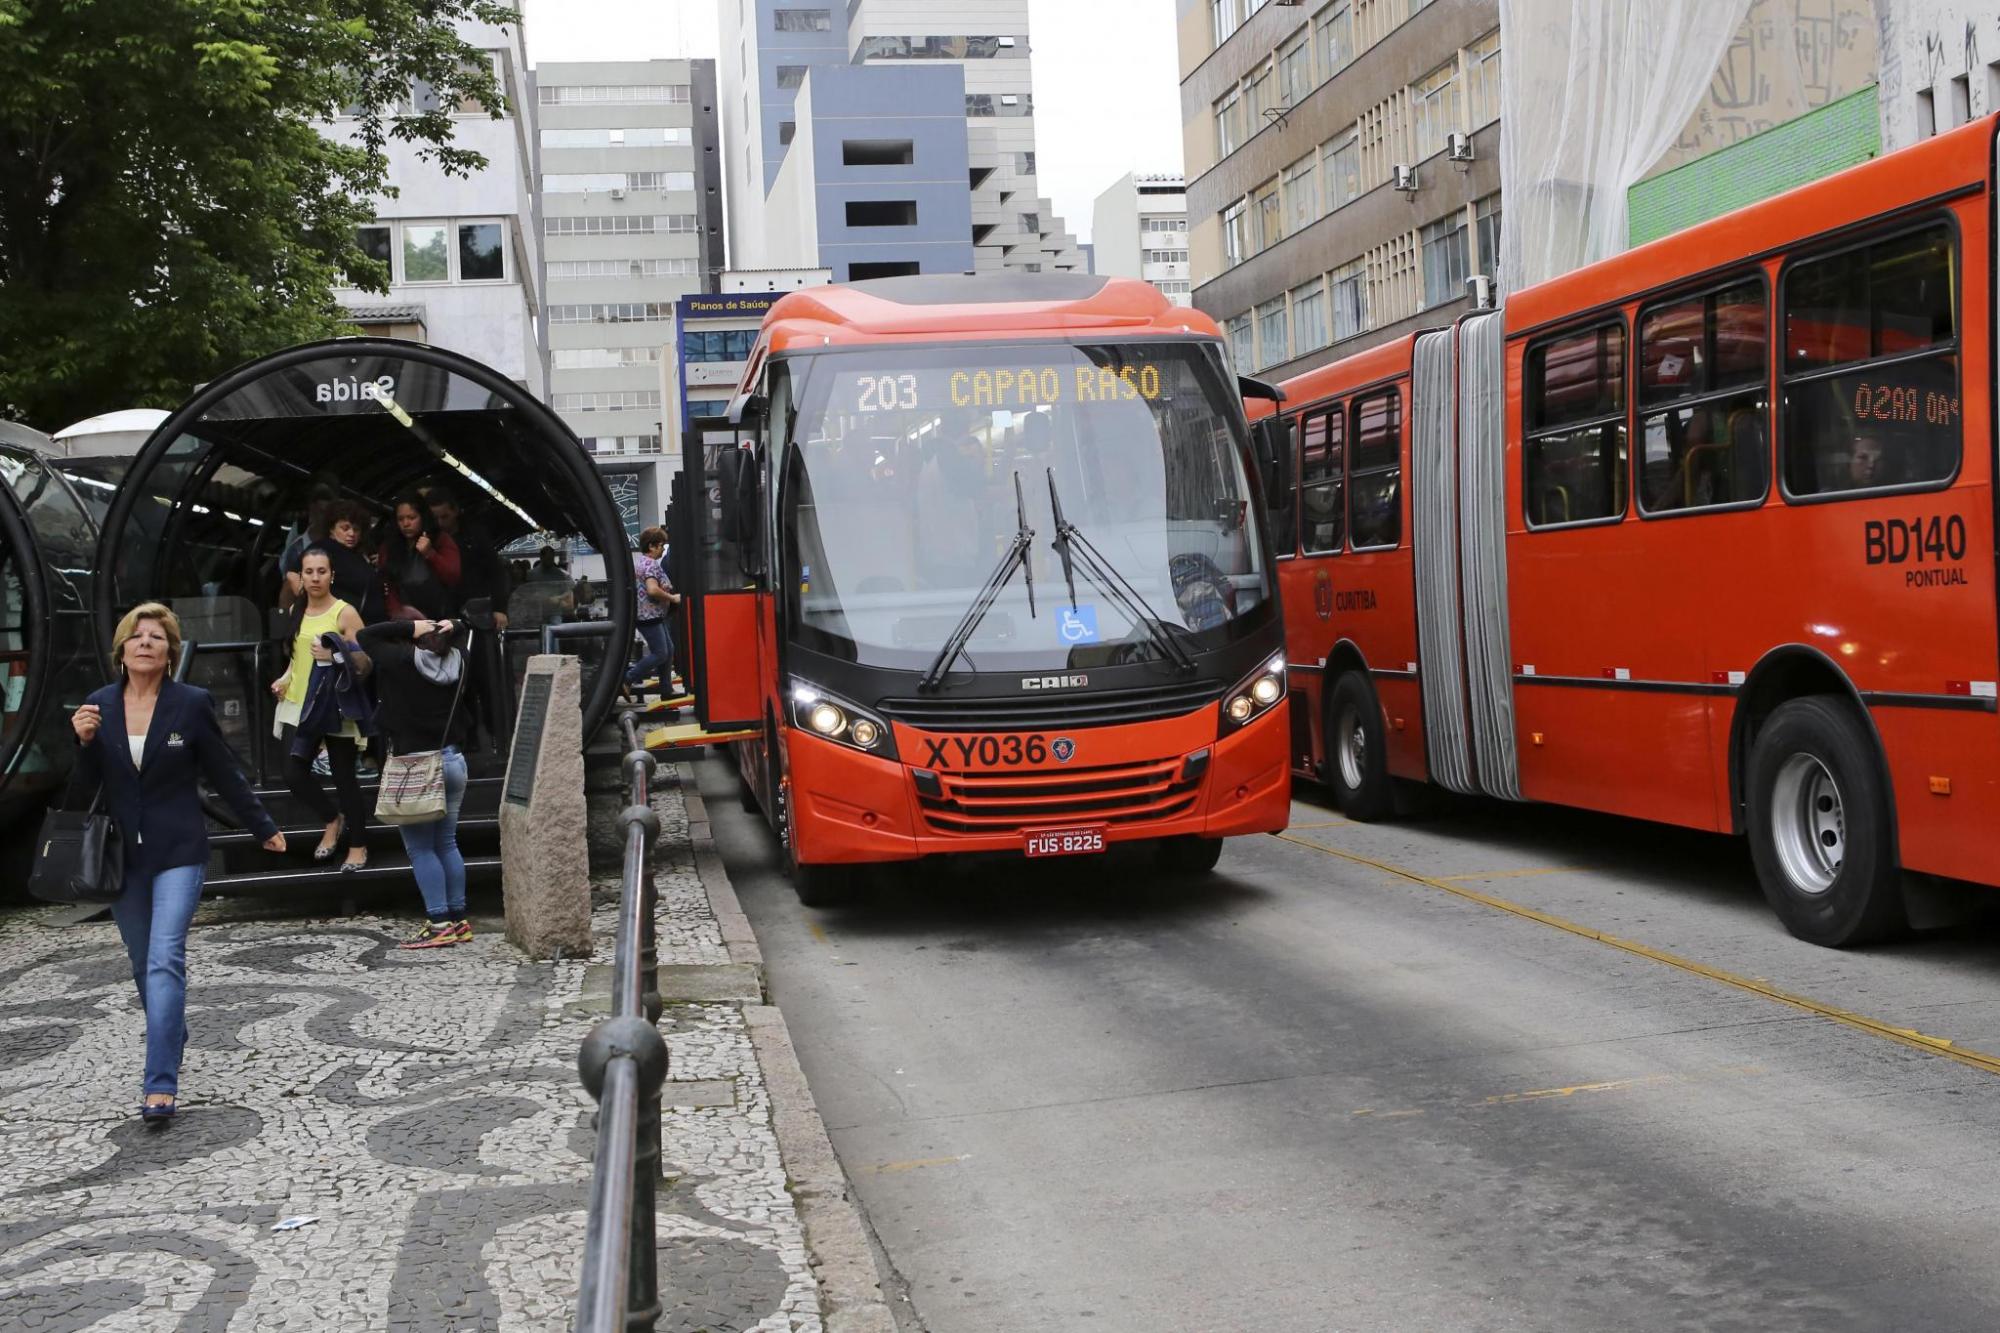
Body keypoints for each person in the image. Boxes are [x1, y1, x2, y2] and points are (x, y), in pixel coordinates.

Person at [69, 604, 285, 1122]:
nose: (145, 643)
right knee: (144, 964)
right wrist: (81, 744)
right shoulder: (99, 707)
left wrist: (261, 825)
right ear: (121, 651)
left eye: (157, 637)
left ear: (171, 652)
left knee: (166, 958)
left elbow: (224, 771)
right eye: (136, 637)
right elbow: (79, 795)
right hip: (123, 858)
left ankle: (160, 1082)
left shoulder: (190, 704)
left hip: (180, 852)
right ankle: (171, 1027)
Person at [359, 614, 474, 948]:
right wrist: (453, 624)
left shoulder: (400, 661)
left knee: (421, 848)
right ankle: (458, 920)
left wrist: (408, 627)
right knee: (447, 843)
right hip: (453, 760)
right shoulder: (461, 659)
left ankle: (439, 922)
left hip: (416, 766)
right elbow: (467, 626)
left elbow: (367, 635)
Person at [270, 548, 371, 872]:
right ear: (301, 576)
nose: (315, 578)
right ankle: (331, 818)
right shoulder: (297, 610)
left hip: (333, 703)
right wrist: (284, 678)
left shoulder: (345, 612)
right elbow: (297, 658)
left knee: (345, 778)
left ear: (332, 576)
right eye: (309, 571)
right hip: (298, 702)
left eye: (321, 571)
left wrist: (334, 657)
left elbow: (365, 662)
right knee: (292, 772)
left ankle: (357, 846)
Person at [378, 492, 460, 619]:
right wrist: (396, 611)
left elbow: (452, 576)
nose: (406, 524)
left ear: (423, 517)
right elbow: (387, 583)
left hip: (440, 617)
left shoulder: (440, 539)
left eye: (412, 518)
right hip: (405, 619)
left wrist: (430, 554)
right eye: (400, 519)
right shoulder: (389, 546)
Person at [625, 526, 680, 699]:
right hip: (649, 616)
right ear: (651, 546)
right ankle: (627, 678)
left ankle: (666, 689)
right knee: (660, 653)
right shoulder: (649, 565)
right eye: (661, 545)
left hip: (651, 615)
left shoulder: (642, 562)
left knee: (669, 649)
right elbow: (652, 590)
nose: (663, 549)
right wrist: (672, 598)